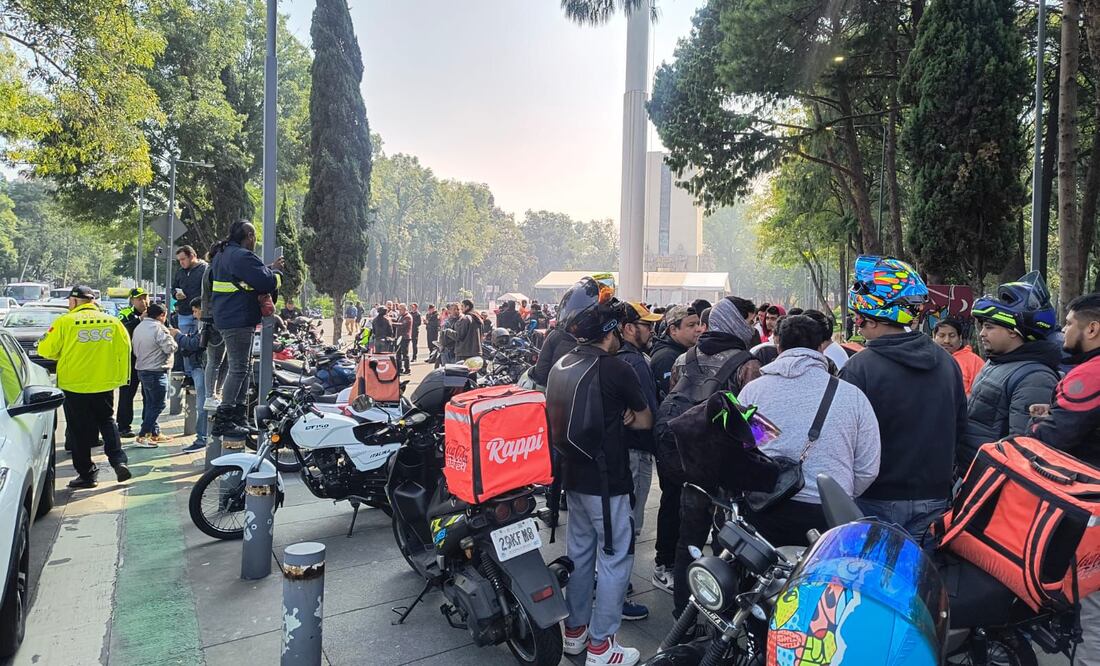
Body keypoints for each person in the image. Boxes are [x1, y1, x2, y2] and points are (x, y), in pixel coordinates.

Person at [546, 277, 651, 665]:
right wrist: (625, 416)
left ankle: (574, 632)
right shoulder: (616, 369)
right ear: (609, 328)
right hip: (609, 485)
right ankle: (602, 646)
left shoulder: (562, 363)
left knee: (580, 555)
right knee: (615, 558)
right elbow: (643, 420)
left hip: (573, 479)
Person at [839, 255, 965, 541]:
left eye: (859, 319)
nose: (857, 325)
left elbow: (845, 440)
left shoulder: (859, 367)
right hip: (935, 498)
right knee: (922, 579)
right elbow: (961, 427)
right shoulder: (948, 363)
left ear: (871, 319)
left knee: (873, 580)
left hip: (875, 498)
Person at [737, 315, 881, 546]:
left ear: (777, 343)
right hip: (830, 516)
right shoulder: (852, 396)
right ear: (821, 346)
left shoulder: (753, 392)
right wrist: (839, 492)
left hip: (766, 509)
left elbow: (746, 446)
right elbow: (868, 468)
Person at [663, 296, 762, 612]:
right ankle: (721, 611)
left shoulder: (685, 358)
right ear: (735, 324)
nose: (750, 327)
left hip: (690, 462)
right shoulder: (747, 363)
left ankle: (682, 609)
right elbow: (753, 421)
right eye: (745, 322)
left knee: (688, 539)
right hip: (726, 468)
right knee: (727, 543)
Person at [1028, 293, 1100, 664]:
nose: (1063, 329)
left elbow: (1054, 438)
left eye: (1070, 322)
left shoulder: (1091, 372)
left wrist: (1038, 425)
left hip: (1091, 505)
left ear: (1092, 328)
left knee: (1091, 610)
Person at [37, 286, 132, 488]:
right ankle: (119, 461)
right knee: (107, 421)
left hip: (74, 385)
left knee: (78, 431)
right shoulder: (113, 322)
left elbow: (46, 350)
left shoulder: (64, 322)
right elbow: (125, 350)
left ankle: (87, 475)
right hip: (104, 383)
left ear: (74, 301)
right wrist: (121, 378)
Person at [961, 278, 1061, 466]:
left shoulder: (1035, 378)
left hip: (990, 480)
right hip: (970, 472)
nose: (982, 333)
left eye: (989, 327)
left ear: (1014, 331)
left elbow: (1023, 449)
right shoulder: (997, 362)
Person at [209, 221, 283, 438]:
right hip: (238, 318)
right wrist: (276, 272)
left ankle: (239, 416)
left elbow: (247, 278)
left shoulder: (224, 254)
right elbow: (267, 283)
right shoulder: (241, 256)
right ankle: (225, 418)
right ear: (249, 235)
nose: (255, 240)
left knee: (244, 368)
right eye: (254, 236)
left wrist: (267, 269)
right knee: (239, 369)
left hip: (229, 317)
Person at [617, 303, 662, 538]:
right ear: (628, 328)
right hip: (638, 449)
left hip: (621, 449)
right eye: (646, 325)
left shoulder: (618, 357)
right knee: (630, 524)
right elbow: (649, 415)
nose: (652, 330)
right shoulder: (636, 361)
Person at [131, 302, 179, 446]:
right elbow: (170, 348)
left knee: (150, 403)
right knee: (159, 404)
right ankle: (143, 435)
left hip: (142, 369)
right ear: (162, 315)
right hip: (156, 371)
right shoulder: (159, 329)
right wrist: (173, 336)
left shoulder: (139, 327)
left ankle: (154, 432)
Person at [176, 298, 209, 453]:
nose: (194, 315)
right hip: (199, 367)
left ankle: (202, 438)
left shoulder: (207, 325)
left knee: (202, 405)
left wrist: (178, 336)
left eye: (196, 311)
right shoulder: (201, 325)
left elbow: (195, 344)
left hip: (202, 367)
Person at [650, 305, 702, 401]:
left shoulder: (683, 350)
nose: (698, 329)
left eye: (698, 324)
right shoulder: (666, 358)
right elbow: (669, 398)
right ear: (673, 329)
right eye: (691, 325)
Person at [116, 287, 149, 438]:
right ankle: (123, 426)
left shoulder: (153, 311)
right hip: (131, 361)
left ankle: (148, 425)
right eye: (139, 299)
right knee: (127, 394)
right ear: (132, 300)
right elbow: (122, 331)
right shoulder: (125, 313)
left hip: (149, 360)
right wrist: (139, 320)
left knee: (149, 395)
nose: (143, 301)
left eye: (145, 297)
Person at [933, 318, 984, 395]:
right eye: (941, 335)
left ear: (960, 338)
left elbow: (981, 395)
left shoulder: (975, 361)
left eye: (952, 336)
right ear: (933, 337)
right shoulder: (926, 359)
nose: (946, 340)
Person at [172, 245, 208, 334]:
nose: (181, 262)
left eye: (183, 259)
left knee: (201, 342)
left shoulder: (205, 269)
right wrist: (176, 294)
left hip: (201, 313)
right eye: (179, 260)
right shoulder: (180, 272)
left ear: (192, 256)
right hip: (184, 313)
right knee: (185, 342)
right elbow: (174, 288)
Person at [394, 303, 413, 374]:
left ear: (404, 309)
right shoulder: (401, 316)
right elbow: (396, 320)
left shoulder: (407, 317)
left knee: (405, 354)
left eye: (400, 309)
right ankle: (399, 368)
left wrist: (391, 323)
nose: (399, 311)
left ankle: (407, 369)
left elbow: (402, 325)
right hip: (399, 337)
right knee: (398, 354)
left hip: (405, 338)